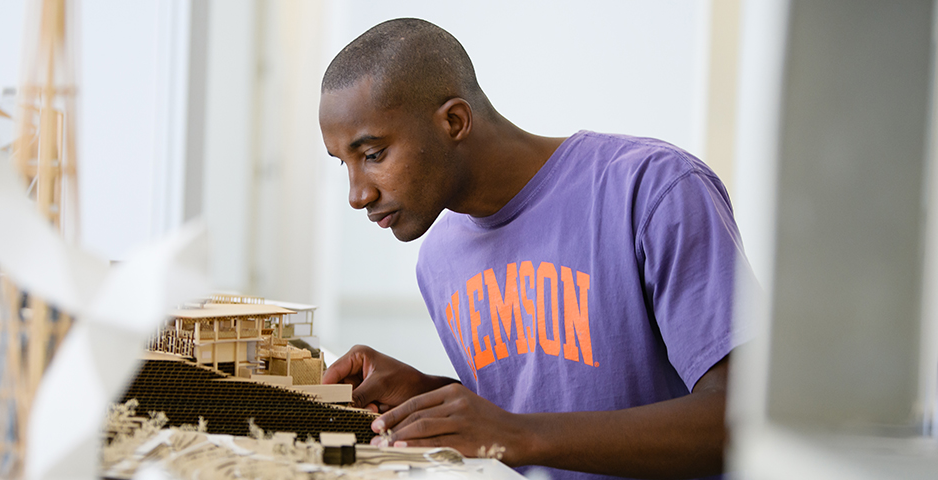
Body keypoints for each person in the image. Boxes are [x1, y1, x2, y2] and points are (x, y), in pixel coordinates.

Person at [318, 18, 749, 480]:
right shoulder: (438, 258)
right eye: (344, 163)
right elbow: (535, 411)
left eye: (373, 154)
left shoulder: (652, 190)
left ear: (454, 121)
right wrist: (431, 392)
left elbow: (740, 421)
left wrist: (516, 435)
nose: (357, 194)